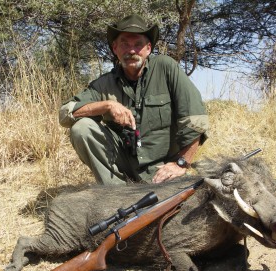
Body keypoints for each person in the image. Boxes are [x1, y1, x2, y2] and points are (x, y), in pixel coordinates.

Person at [59, 14, 209, 185]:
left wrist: (181, 163)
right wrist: (107, 106)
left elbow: (196, 121)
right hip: (124, 169)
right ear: (115, 48)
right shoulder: (104, 83)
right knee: (81, 128)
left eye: (138, 44)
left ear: (148, 48)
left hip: (162, 170)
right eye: (124, 44)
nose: (131, 50)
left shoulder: (166, 67)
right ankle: (115, 193)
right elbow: (65, 114)